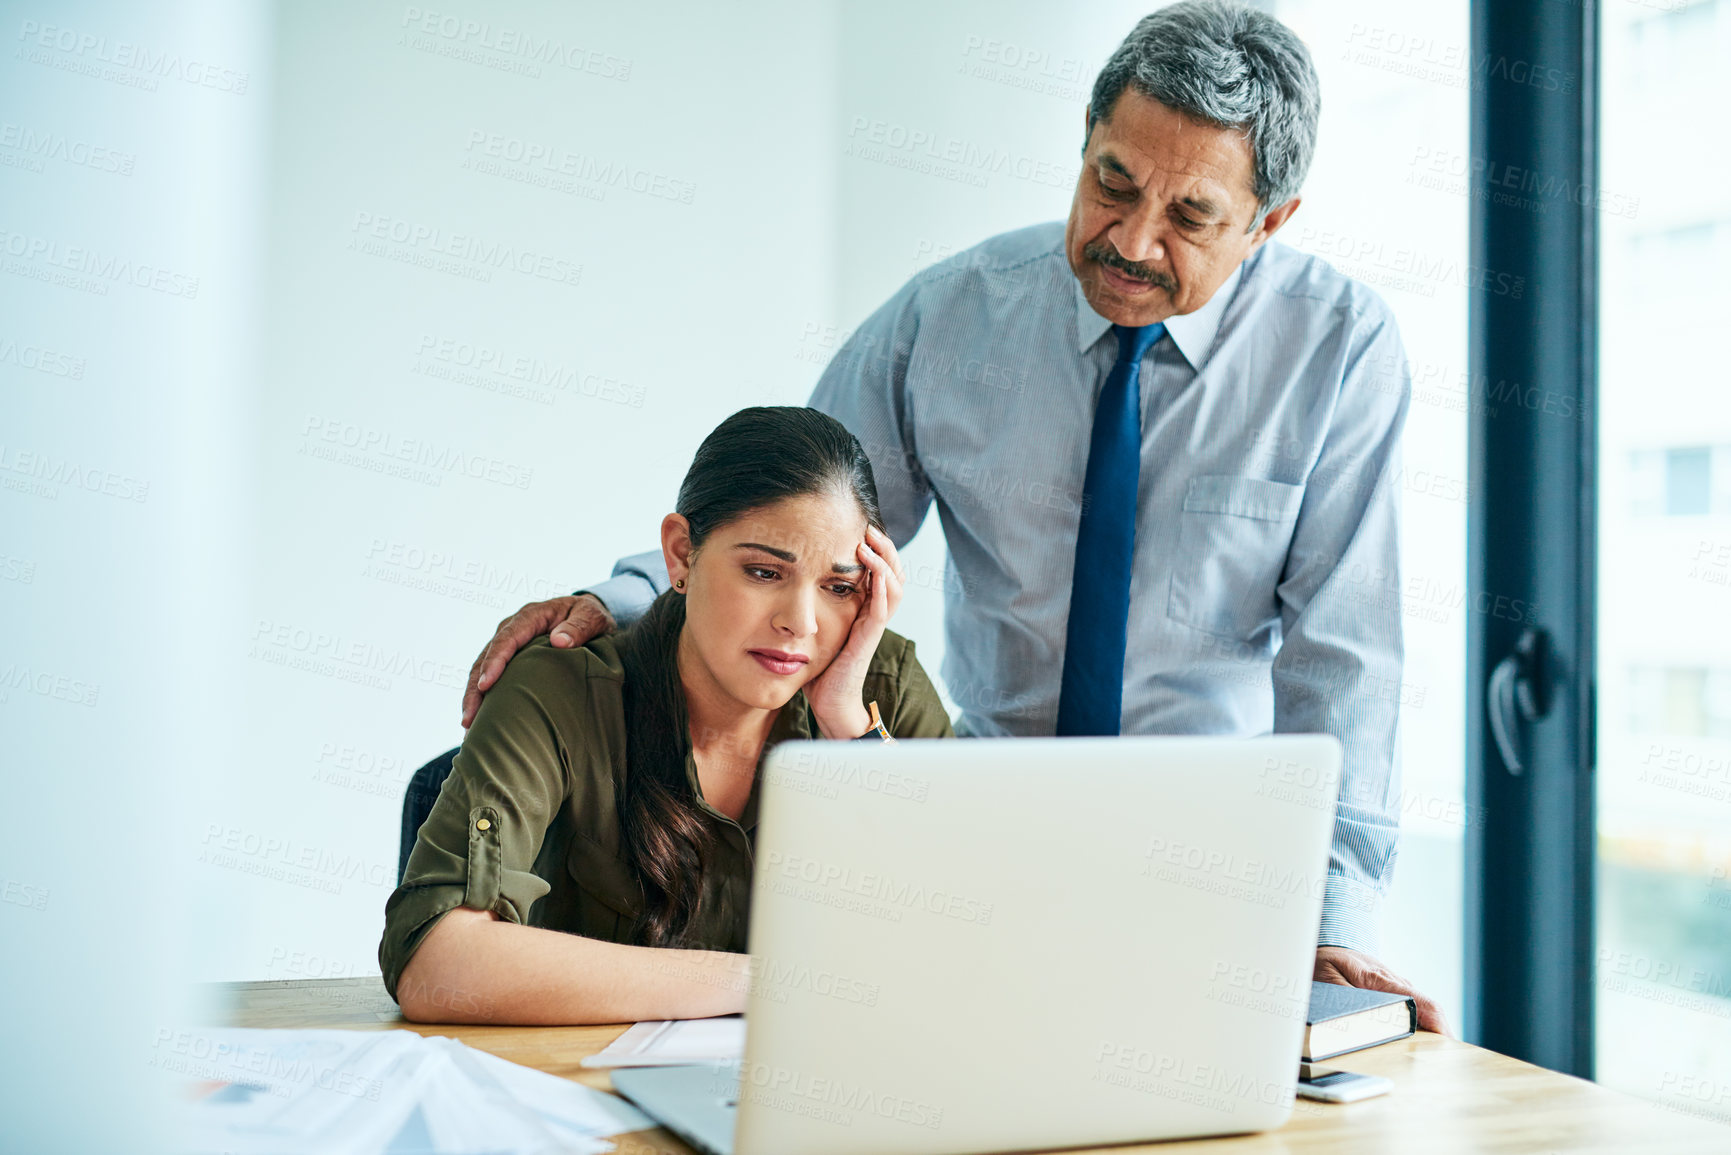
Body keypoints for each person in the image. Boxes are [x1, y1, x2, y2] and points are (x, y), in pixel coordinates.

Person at [455, 2, 1450, 1033]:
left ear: (1269, 222)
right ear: (1084, 139)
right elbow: (790, 518)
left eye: (1190, 217)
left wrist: (1335, 927)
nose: (1131, 239)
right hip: (985, 839)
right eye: (1111, 182)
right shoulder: (954, 318)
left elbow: (1345, 663)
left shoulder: (1338, 351)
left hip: (1210, 860)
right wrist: (610, 600)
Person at [382, 407, 952, 1024]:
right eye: (764, 572)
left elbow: (972, 935)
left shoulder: (879, 685)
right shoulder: (559, 688)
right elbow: (437, 963)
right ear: (681, 555)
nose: (802, 623)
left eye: (839, 588)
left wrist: (852, 729)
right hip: (580, 1094)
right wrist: (765, 984)